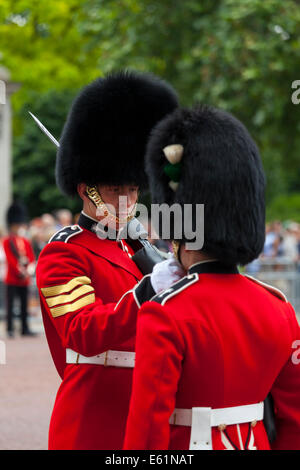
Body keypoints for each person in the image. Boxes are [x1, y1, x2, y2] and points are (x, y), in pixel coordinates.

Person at [123, 105, 300, 450]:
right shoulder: (279, 308)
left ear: (179, 230)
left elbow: (147, 432)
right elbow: (294, 421)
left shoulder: (165, 312)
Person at [35, 70, 179, 450]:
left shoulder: (135, 246)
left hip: (145, 406)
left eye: (133, 189)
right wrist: (147, 289)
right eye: (117, 190)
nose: (128, 201)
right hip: (94, 415)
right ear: (88, 191)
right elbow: (81, 330)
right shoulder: (64, 251)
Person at [2, 201, 36, 337]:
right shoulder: (7, 241)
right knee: (10, 305)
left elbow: (31, 256)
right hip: (12, 277)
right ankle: (10, 329)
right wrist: (19, 270)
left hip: (25, 278)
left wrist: (28, 270)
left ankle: (24, 328)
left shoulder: (25, 241)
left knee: (23, 305)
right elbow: (10, 259)